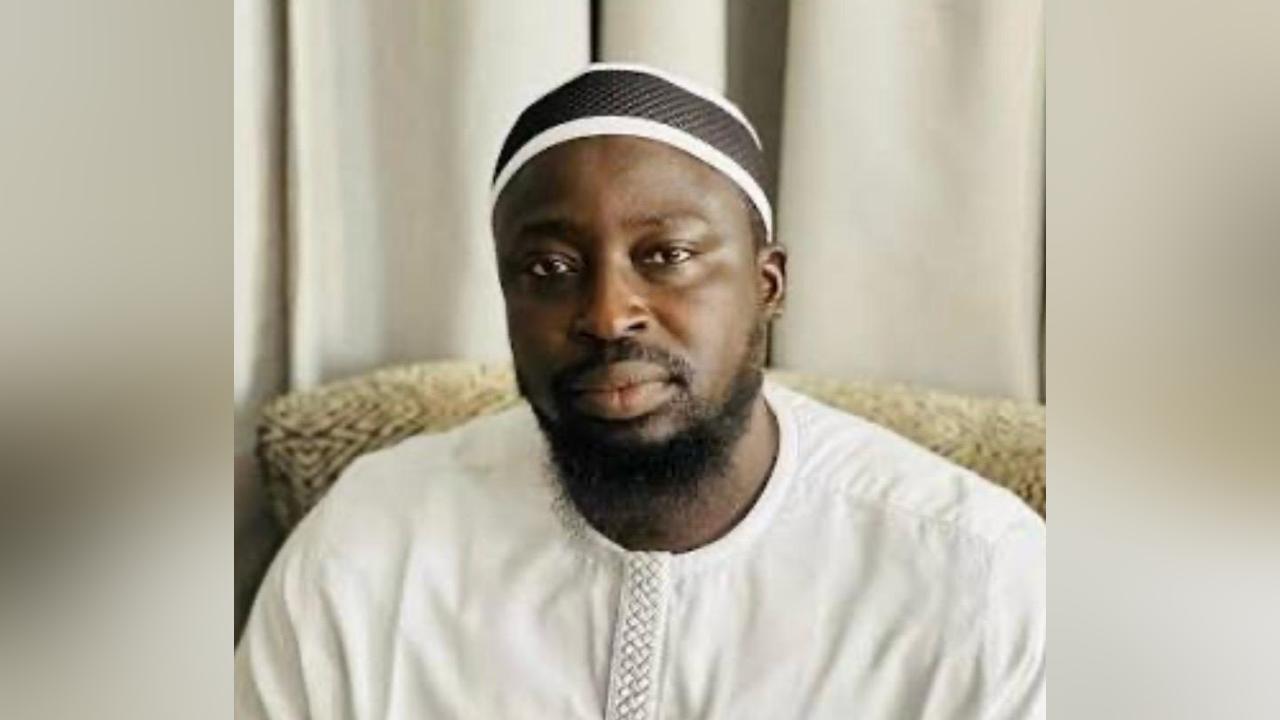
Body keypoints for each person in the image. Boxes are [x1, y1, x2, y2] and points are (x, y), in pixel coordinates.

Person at [235, 63, 1045, 719]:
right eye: (549, 268)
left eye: (666, 256)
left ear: (767, 284)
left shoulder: (979, 575)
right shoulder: (371, 548)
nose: (607, 314)